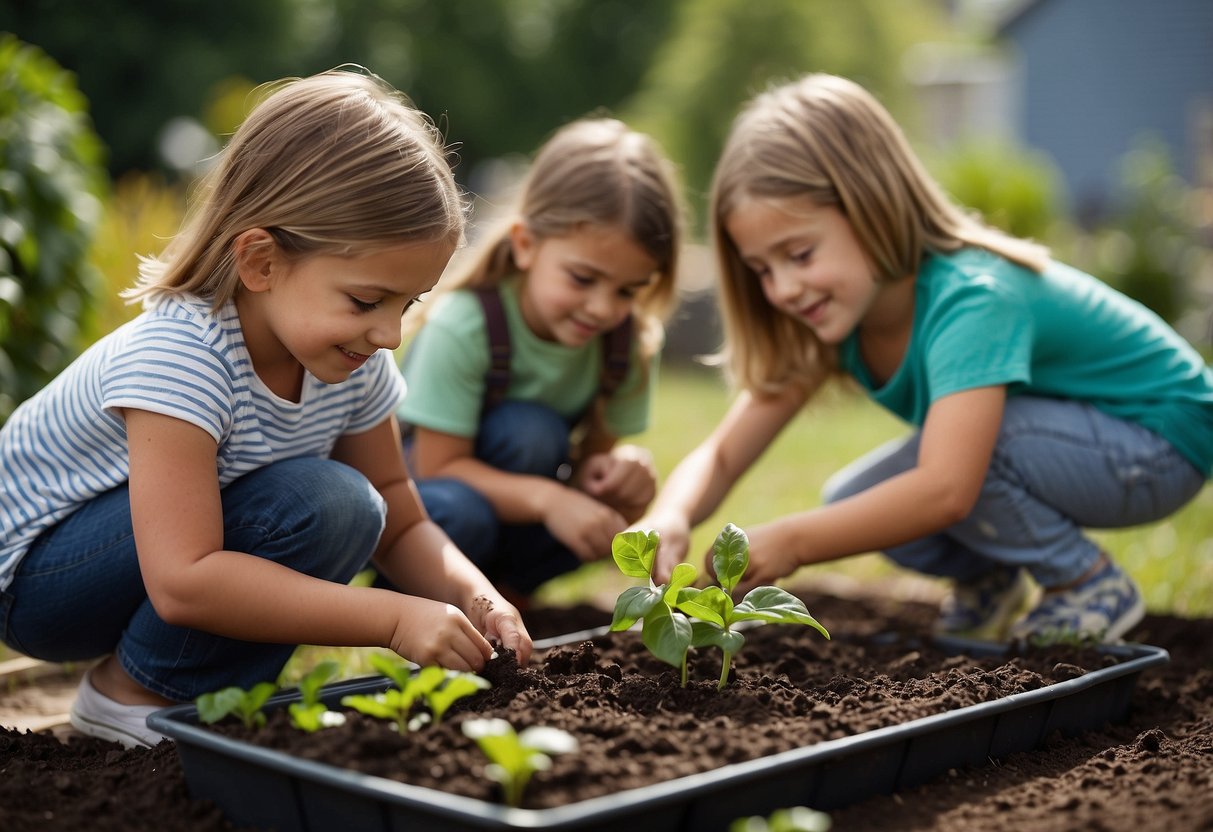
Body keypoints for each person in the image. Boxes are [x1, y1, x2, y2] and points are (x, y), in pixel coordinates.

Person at [0, 68, 531, 749]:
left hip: (148, 566)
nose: (390, 333)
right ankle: (130, 698)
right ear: (260, 263)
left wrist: (474, 595)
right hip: (37, 581)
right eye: (367, 300)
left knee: (354, 506)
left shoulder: (352, 359)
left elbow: (399, 519)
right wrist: (392, 618)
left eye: (409, 303)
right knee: (330, 502)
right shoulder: (182, 355)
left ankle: (175, 688)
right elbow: (185, 581)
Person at [638, 73, 1212, 644]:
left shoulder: (972, 298)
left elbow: (947, 489)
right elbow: (722, 453)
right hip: (1086, 444)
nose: (784, 287)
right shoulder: (834, 316)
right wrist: (672, 515)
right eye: (763, 269)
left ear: (873, 207)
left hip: (1159, 442)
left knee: (957, 461)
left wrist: (791, 540)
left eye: (800, 253)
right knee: (853, 503)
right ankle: (991, 580)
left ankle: (1086, 581)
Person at [396, 117, 683, 604]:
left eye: (628, 290)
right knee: (522, 441)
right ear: (526, 244)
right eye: (582, 278)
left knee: (574, 484)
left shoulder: (626, 343)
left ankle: (508, 592)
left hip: (515, 508)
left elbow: (592, 458)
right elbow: (438, 467)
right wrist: (551, 500)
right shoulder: (465, 325)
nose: (602, 308)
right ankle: (424, 592)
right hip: (429, 500)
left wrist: (619, 476)